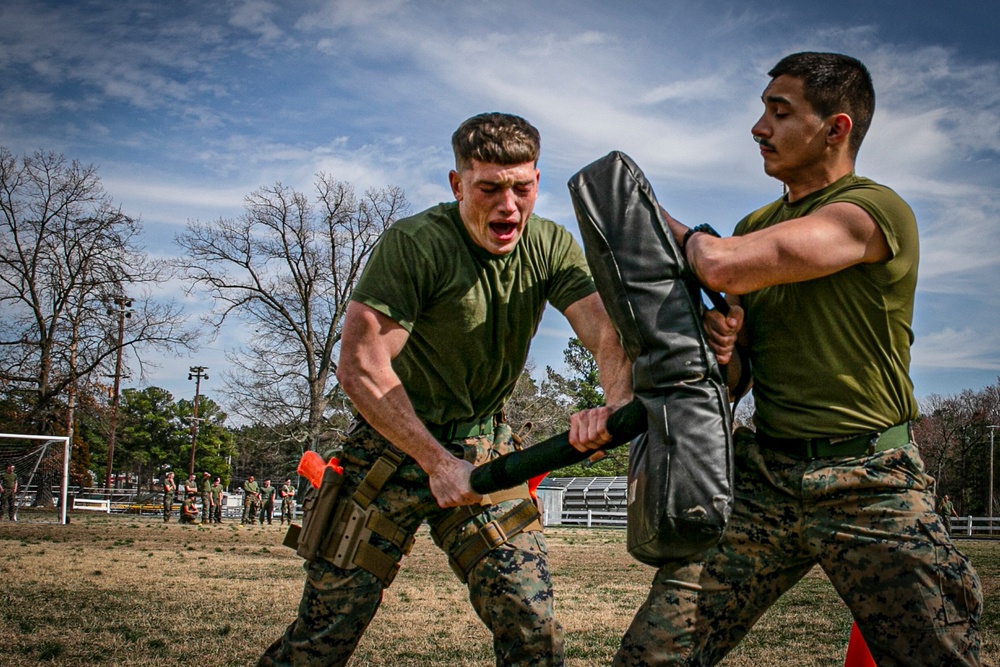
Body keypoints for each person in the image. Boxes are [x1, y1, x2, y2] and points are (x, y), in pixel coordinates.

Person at [614, 52, 982, 666]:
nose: (759, 128)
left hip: (870, 478)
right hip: (768, 477)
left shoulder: (872, 211)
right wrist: (726, 348)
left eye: (779, 113)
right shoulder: (755, 223)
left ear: (835, 128)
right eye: (763, 111)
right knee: (656, 652)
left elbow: (719, 263)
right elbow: (736, 378)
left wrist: (653, 217)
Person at [259, 112, 632, 667]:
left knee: (533, 634)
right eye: (489, 188)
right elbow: (362, 367)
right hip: (387, 454)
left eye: (522, 187)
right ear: (458, 185)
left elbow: (605, 329)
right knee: (320, 642)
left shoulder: (551, 245)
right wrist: (435, 461)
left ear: (537, 182)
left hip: (484, 457)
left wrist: (617, 403)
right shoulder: (415, 245)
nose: (508, 206)